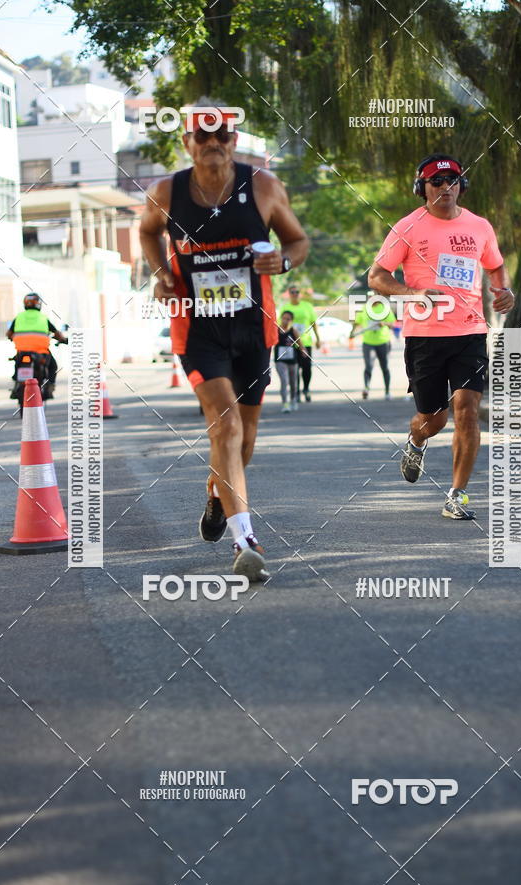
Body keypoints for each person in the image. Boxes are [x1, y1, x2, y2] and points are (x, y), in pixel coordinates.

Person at [139, 106, 309, 581]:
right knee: (226, 427)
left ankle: (217, 491)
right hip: (198, 329)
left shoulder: (264, 187)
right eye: (202, 135)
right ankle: (245, 540)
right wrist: (161, 272)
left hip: (254, 328)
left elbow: (298, 241)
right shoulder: (166, 192)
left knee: (245, 438)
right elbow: (147, 231)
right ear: (188, 143)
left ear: (234, 142)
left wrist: (284, 262)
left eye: (222, 136)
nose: (213, 143)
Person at [368, 153, 514, 520]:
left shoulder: (480, 227)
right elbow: (376, 276)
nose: (445, 188)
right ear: (422, 188)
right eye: (436, 182)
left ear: (461, 186)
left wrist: (503, 289)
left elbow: (495, 265)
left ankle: (457, 495)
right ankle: (417, 440)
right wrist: (410, 294)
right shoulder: (407, 227)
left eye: (452, 181)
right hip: (425, 336)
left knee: (467, 411)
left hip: (469, 332)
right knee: (434, 419)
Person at [6, 293, 68, 398]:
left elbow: (9, 334)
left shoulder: (19, 317)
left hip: (21, 352)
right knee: (53, 366)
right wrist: (63, 339)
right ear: (39, 304)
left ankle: (16, 386)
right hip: (40, 352)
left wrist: (12, 338)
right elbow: (57, 333)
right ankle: (49, 387)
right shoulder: (43, 318)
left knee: (17, 364)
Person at [279, 285, 320, 402]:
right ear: (289, 294)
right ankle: (295, 392)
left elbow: (314, 323)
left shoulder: (307, 306)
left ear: (299, 293)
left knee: (307, 368)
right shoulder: (285, 307)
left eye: (297, 292)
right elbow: (280, 325)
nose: (295, 294)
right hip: (291, 344)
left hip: (305, 342)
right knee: (294, 369)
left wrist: (318, 339)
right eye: (292, 292)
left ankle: (306, 389)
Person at [349, 298, 396, 399]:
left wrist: (384, 323)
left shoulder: (385, 309)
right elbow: (357, 322)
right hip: (368, 343)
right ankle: (366, 388)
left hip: (383, 342)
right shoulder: (364, 309)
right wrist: (352, 333)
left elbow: (392, 324)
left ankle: (387, 391)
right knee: (368, 366)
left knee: (385, 367)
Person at [275, 309, 302, 411]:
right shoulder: (276, 329)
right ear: (281, 318)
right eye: (284, 318)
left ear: (291, 320)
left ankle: (293, 400)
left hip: (292, 360)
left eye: (288, 319)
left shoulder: (293, 331)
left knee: (293, 382)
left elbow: (300, 344)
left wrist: (303, 351)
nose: (286, 320)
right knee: (284, 381)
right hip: (280, 360)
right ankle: (285, 404)